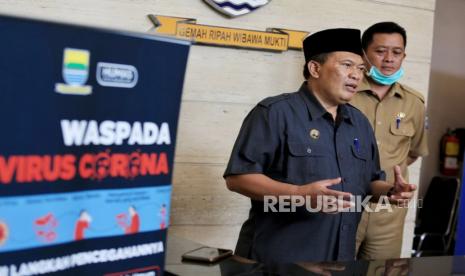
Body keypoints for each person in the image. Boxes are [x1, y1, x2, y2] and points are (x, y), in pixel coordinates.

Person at [224, 28, 416, 264]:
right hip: (278, 259)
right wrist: (299, 194)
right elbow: (237, 178)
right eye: (347, 65)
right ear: (315, 68)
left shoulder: (359, 123)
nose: (356, 75)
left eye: (360, 68)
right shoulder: (275, 112)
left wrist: (389, 191)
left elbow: (368, 182)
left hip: (338, 258)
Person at [351, 22, 429, 260]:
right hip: (345, 207)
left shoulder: (414, 102)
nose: (389, 59)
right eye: (380, 51)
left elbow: (412, 151)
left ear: (404, 56)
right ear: (364, 54)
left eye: (396, 53)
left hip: (388, 214)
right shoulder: (345, 93)